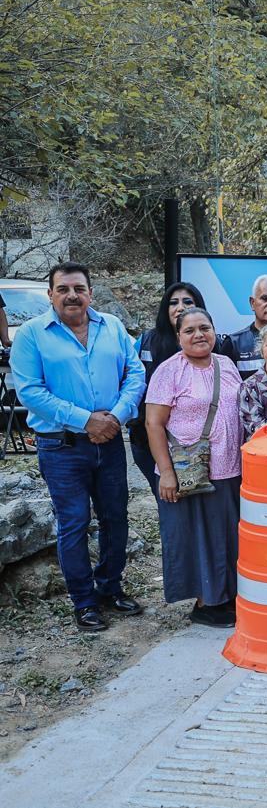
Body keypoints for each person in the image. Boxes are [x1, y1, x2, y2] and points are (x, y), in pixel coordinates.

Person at [11, 262, 146, 633]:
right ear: (50, 294)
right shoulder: (31, 335)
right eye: (64, 289)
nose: (72, 295)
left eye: (79, 288)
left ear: (90, 292)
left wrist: (115, 416)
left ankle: (110, 588)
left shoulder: (113, 327)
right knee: (74, 523)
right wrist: (87, 420)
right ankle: (84, 602)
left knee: (116, 517)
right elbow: (31, 392)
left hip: (110, 441)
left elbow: (135, 373)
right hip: (62, 446)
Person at [144, 307, 243, 628]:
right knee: (196, 538)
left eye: (205, 328)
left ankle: (225, 596)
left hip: (229, 468)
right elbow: (153, 423)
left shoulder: (226, 365)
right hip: (188, 471)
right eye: (190, 331)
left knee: (226, 536)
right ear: (178, 337)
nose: (199, 335)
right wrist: (167, 472)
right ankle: (205, 603)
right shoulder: (169, 371)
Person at [132, 282, 236, 495]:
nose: (180, 307)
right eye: (173, 302)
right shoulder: (149, 344)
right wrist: (166, 470)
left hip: (223, 465)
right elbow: (133, 386)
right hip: (166, 451)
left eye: (188, 302)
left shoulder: (222, 358)